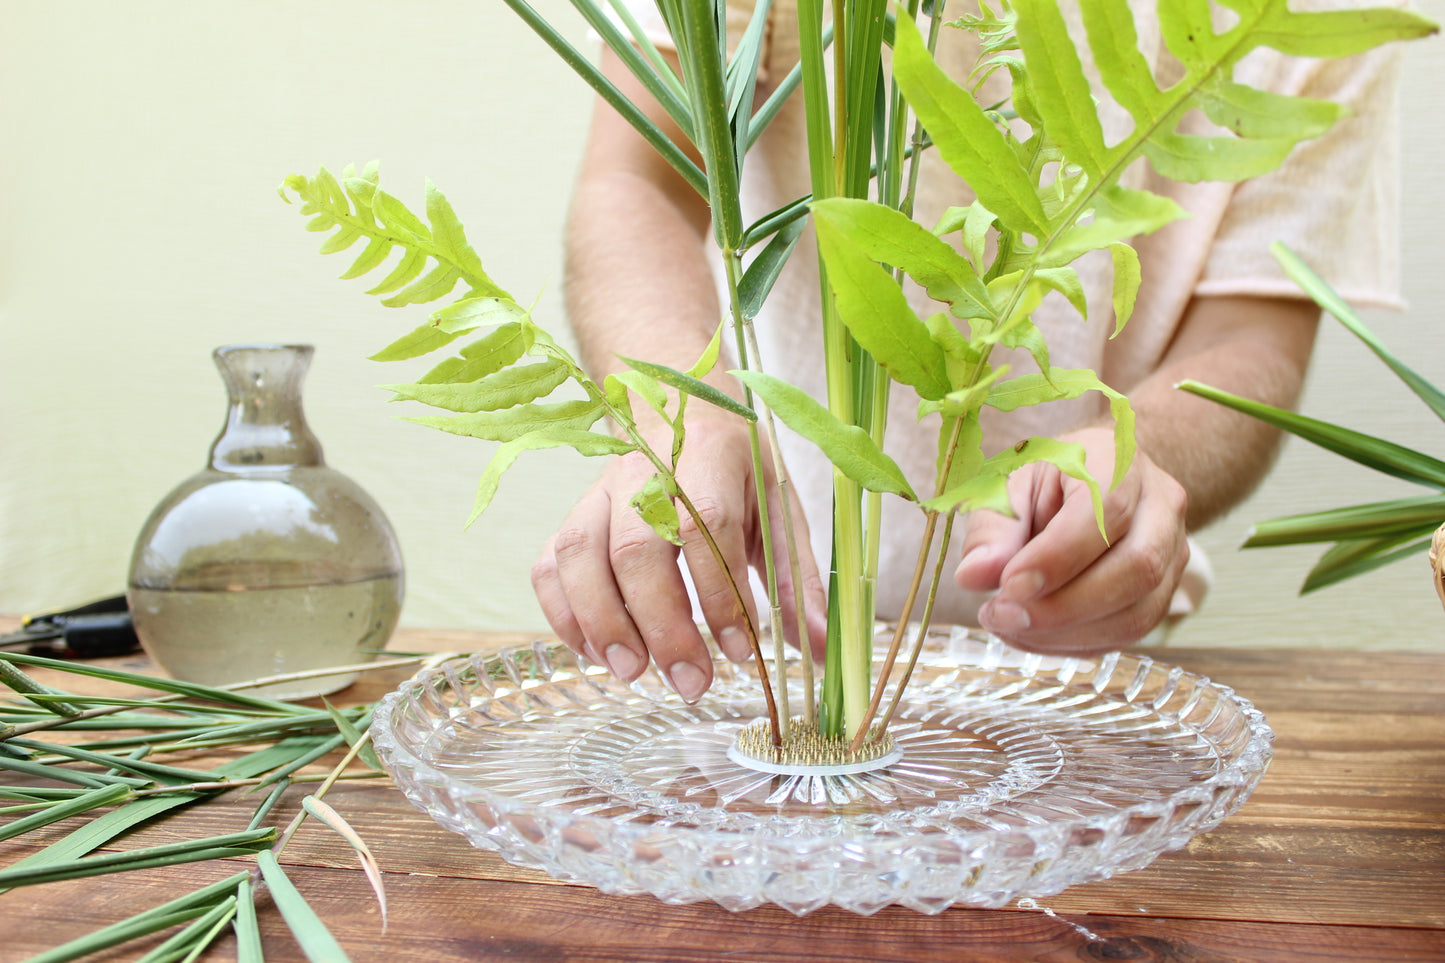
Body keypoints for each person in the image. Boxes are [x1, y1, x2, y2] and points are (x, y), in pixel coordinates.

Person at [530, 0, 1405, 703]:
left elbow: (1249, 328)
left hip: (1074, 679)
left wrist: (1138, 453)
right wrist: (678, 407)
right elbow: (637, 178)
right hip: (732, 639)